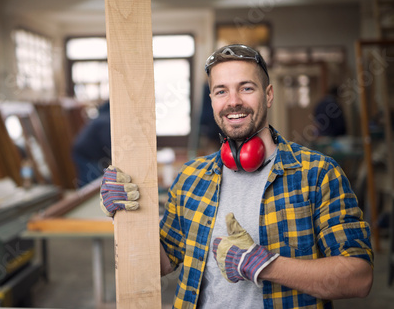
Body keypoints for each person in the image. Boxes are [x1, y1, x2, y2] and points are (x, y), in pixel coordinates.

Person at [100, 44, 373, 309]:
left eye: (246, 88)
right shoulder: (191, 179)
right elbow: (160, 265)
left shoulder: (317, 174)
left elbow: (358, 279)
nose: (233, 101)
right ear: (212, 100)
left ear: (268, 95)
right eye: (221, 91)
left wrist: (266, 266)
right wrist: (126, 218)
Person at [72, 101, 111, 186]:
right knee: (91, 184)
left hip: (86, 152)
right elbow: (109, 145)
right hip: (87, 155)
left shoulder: (102, 117)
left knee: (90, 180)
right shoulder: (105, 121)